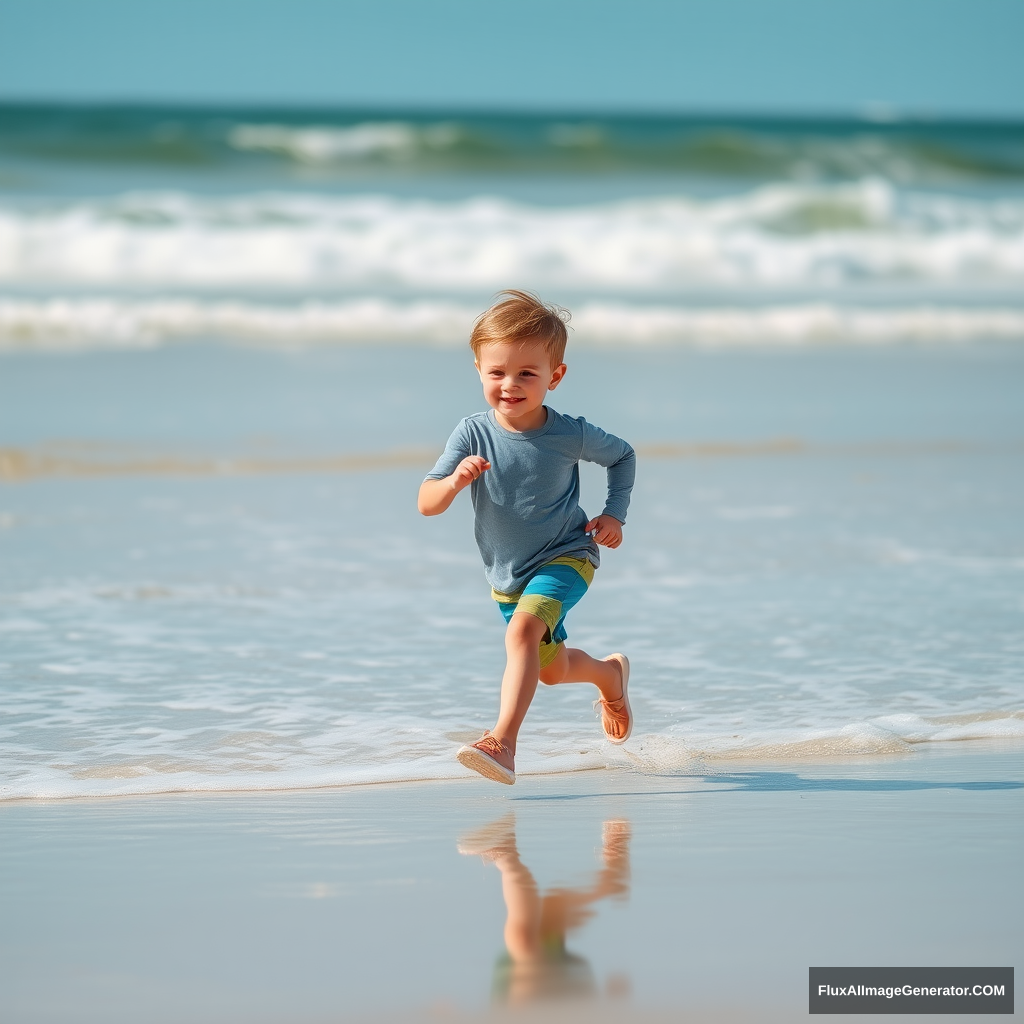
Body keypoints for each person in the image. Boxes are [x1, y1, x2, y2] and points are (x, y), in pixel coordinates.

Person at [418, 290, 636, 785]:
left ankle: (502, 743)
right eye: (497, 373)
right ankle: (609, 675)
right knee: (551, 669)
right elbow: (425, 502)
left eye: (527, 374)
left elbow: (623, 456)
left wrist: (614, 515)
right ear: (478, 369)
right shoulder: (471, 434)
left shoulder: (569, 433)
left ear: (555, 376)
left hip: (567, 555)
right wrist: (453, 483)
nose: (510, 385)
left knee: (520, 635)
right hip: (507, 575)